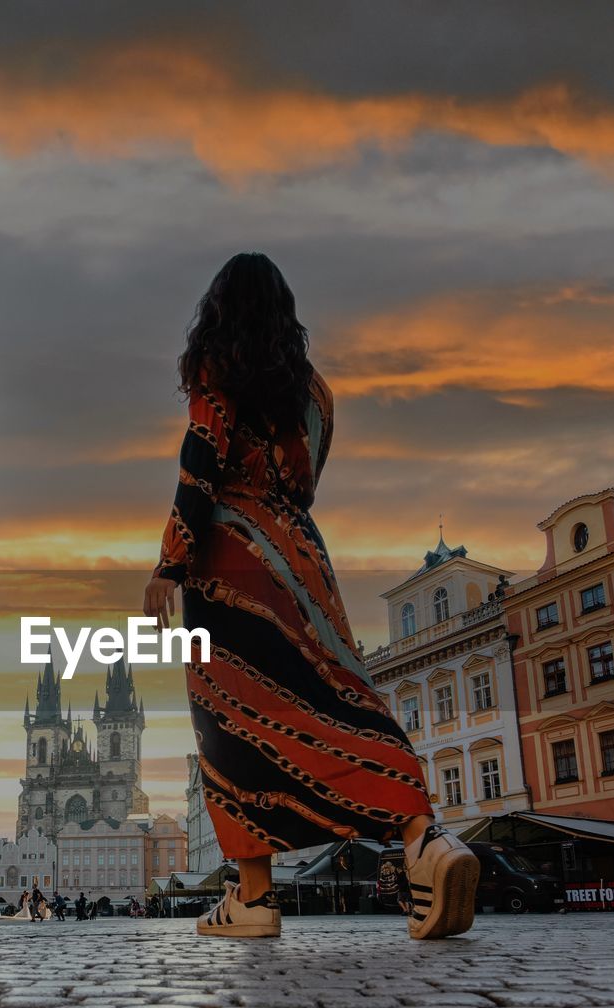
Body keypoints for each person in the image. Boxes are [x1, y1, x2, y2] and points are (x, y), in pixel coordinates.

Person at [144, 253, 479, 941]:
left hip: (229, 563)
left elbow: (200, 465)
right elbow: (307, 479)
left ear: (219, 310)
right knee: (341, 698)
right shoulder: (316, 394)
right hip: (302, 555)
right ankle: (424, 840)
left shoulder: (217, 368)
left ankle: (254, 899)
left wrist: (168, 565)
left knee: (232, 723)